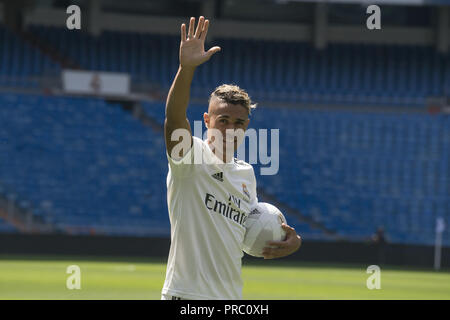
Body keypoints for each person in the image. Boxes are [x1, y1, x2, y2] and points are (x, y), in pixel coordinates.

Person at [161, 16, 302, 300]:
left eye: (238, 122)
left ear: (246, 127)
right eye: (223, 119)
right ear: (207, 120)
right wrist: (186, 69)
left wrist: (290, 241)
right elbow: (174, 118)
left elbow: (249, 233)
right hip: (185, 296)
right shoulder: (190, 158)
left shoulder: (246, 174)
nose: (230, 128)